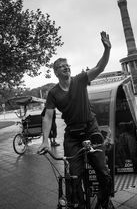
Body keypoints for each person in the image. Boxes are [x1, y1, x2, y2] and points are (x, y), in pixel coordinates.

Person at [38, 31, 112, 209]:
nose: (66, 67)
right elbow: (48, 116)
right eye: (62, 66)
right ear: (56, 72)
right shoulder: (53, 93)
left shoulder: (80, 80)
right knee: (73, 177)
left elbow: (99, 68)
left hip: (91, 130)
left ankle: (103, 201)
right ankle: (77, 203)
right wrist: (45, 141)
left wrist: (107, 49)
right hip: (72, 136)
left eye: (67, 64)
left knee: (103, 171)